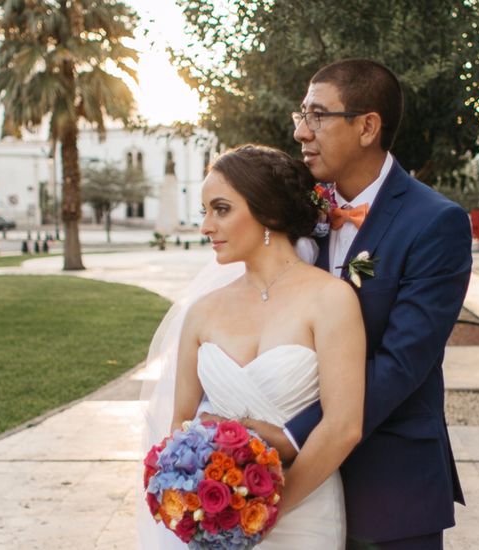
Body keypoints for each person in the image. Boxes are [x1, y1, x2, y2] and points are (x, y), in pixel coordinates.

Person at [223, 59, 472, 549]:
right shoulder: (298, 209)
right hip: (287, 489)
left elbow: (402, 364)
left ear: (367, 126)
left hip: (388, 487)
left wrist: (294, 435)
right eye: (301, 114)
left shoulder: (436, 224)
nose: (300, 132)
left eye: (317, 116)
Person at [143, 144, 366, 548]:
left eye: (221, 209)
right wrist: (208, 510)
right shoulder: (203, 312)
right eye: (204, 212)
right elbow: (180, 422)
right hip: (219, 522)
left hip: (305, 515)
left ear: (271, 214)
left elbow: (343, 427)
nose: (206, 227)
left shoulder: (331, 300)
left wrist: (265, 514)